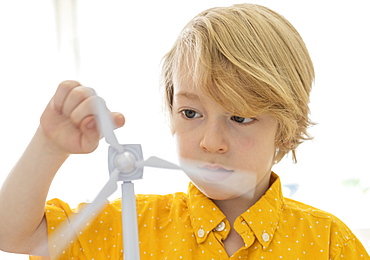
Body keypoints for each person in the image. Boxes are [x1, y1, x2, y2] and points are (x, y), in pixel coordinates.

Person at [0, 3, 368, 260]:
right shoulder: (126, 223)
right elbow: (13, 234)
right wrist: (48, 146)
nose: (210, 142)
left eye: (240, 118)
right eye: (191, 113)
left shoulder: (330, 243)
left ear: (286, 131)